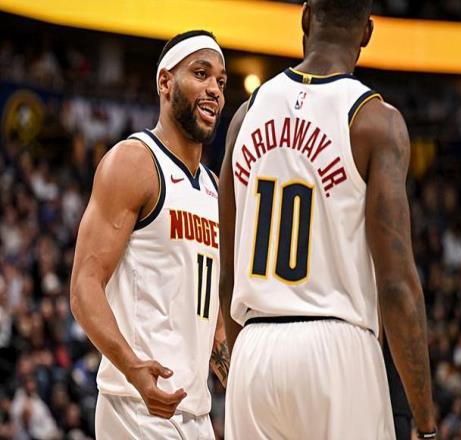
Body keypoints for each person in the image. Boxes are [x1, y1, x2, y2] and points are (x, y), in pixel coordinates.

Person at [218, 1, 437, 439]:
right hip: (337, 348)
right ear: (367, 32)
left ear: (305, 17)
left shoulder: (245, 115)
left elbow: (228, 273)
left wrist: (242, 365)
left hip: (254, 346)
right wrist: (426, 421)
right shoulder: (375, 122)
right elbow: (397, 286)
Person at [70, 30, 229, 439]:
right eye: (201, 74)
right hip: (136, 405)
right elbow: (85, 286)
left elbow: (212, 320)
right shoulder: (134, 162)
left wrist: (239, 377)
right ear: (165, 82)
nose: (214, 89)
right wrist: (132, 367)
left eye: (221, 81)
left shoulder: (214, 188)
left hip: (194, 410)